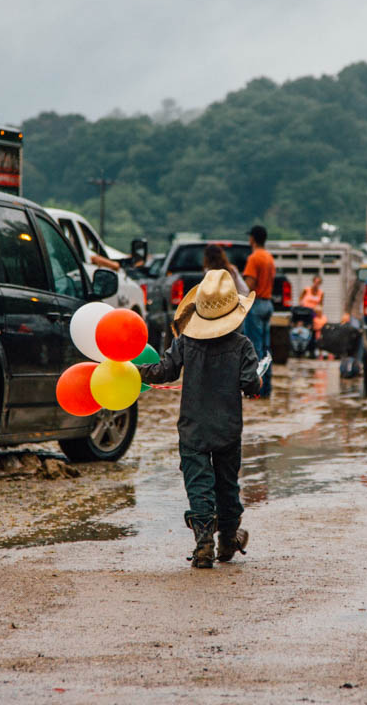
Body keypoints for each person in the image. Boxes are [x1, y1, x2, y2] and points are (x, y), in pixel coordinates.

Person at [137, 269, 261, 568]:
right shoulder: (242, 346)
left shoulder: (185, 343)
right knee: (227, 485)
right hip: (228, 430)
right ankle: (228, 540)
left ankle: (203, 542)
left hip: (193, 428)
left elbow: (162, 371)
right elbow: (251, 384)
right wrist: (255, 382)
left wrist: (133, 369)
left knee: (199, 485)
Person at [242, 225, 276, 397]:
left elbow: (249, 284)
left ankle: (257, 391)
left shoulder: (254, 258)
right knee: (266, 349)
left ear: (253, 239)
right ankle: (267, 390)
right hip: (268, 304)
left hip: (255, 305)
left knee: (254, 350)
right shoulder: (269, 257)